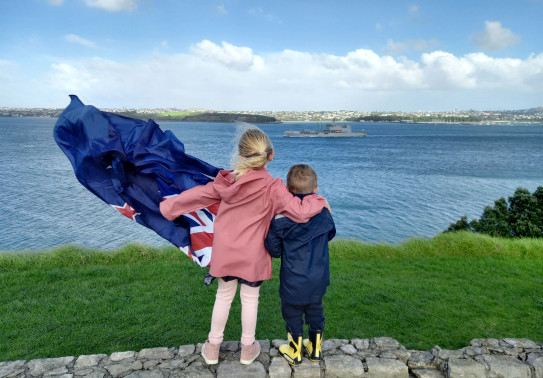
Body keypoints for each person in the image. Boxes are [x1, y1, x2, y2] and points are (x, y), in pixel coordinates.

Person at [159, 128, 329, 366]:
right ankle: (248, 349)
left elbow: (198, 195)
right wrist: (319, 200)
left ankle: (213, 347)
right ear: (271, 155)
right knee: (250, 299)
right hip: (253, 254)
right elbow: (300, 212)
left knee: (223, 296)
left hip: (226, 251)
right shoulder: (274, 187)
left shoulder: (227, 181)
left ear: (241, 156)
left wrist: (169, 208)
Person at [264, 163, 336, 366]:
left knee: (292, 312)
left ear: (287, 190)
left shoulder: (281, 218)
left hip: (293, 278)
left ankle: (295, 351)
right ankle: (315, 349)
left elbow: (274, 249)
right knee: (316, 310)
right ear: (316, 190)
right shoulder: (324, 213)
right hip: (319, 276)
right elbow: (330, 234)